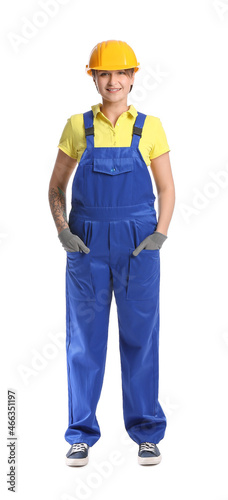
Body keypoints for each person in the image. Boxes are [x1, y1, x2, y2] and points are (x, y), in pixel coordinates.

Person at [48, 40, 175, 467]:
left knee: (141, 339)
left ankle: (146, 433)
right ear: (93, 77)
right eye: (104, 73)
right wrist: (63, 230)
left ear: (134, 76)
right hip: (85, 245)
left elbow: (167, 188)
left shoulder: (151, 127)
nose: (113, 81)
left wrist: (159, 234)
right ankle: (80, 434)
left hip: (139, 245)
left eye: (121, 73)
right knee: (84, 341)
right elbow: (55, 187)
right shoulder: (76, 126)